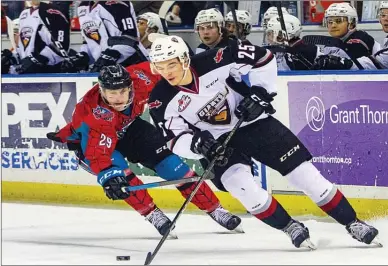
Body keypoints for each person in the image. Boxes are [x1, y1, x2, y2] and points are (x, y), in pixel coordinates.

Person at [147, 35, 381, 249]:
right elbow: (174, 139)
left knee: (305, 175)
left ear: (184, 59)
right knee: (242, 188)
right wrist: (198, 145)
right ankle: (290, 227)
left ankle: (353, 223)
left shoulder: (217, 58)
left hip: (253, 124)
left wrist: (260, 92)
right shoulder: (160, 99)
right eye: (160, 66)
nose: (167, 71)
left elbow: (263, 58)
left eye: (172, 63)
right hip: (218, 143)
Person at [46, 62, 242, 237]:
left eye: (122, 91)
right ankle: (152, 213)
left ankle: (215, 209)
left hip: (128, 127)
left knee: (173, 166)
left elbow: (167, 66)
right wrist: (108, 176)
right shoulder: (93, 114)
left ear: (131, 85)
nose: (117, 99)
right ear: (101, 91)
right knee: (122, 177)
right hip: (88, 144)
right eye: (111, 93)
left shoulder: (142, 80)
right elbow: (98, 154)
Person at [73, 1, 149, 73]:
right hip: (104, 69)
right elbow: (90, 40)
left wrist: (110, 55)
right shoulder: (82, 7)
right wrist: (84, 56)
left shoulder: (118, 3)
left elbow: (131, 39)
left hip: (131, 66)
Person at [2, 0, 70, 74]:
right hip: (27, 72)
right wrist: (13, 56)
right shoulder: (24, 14)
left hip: (48, 72)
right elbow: (24, 44)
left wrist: (38, 59)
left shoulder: (54, 12)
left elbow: (61, 46)